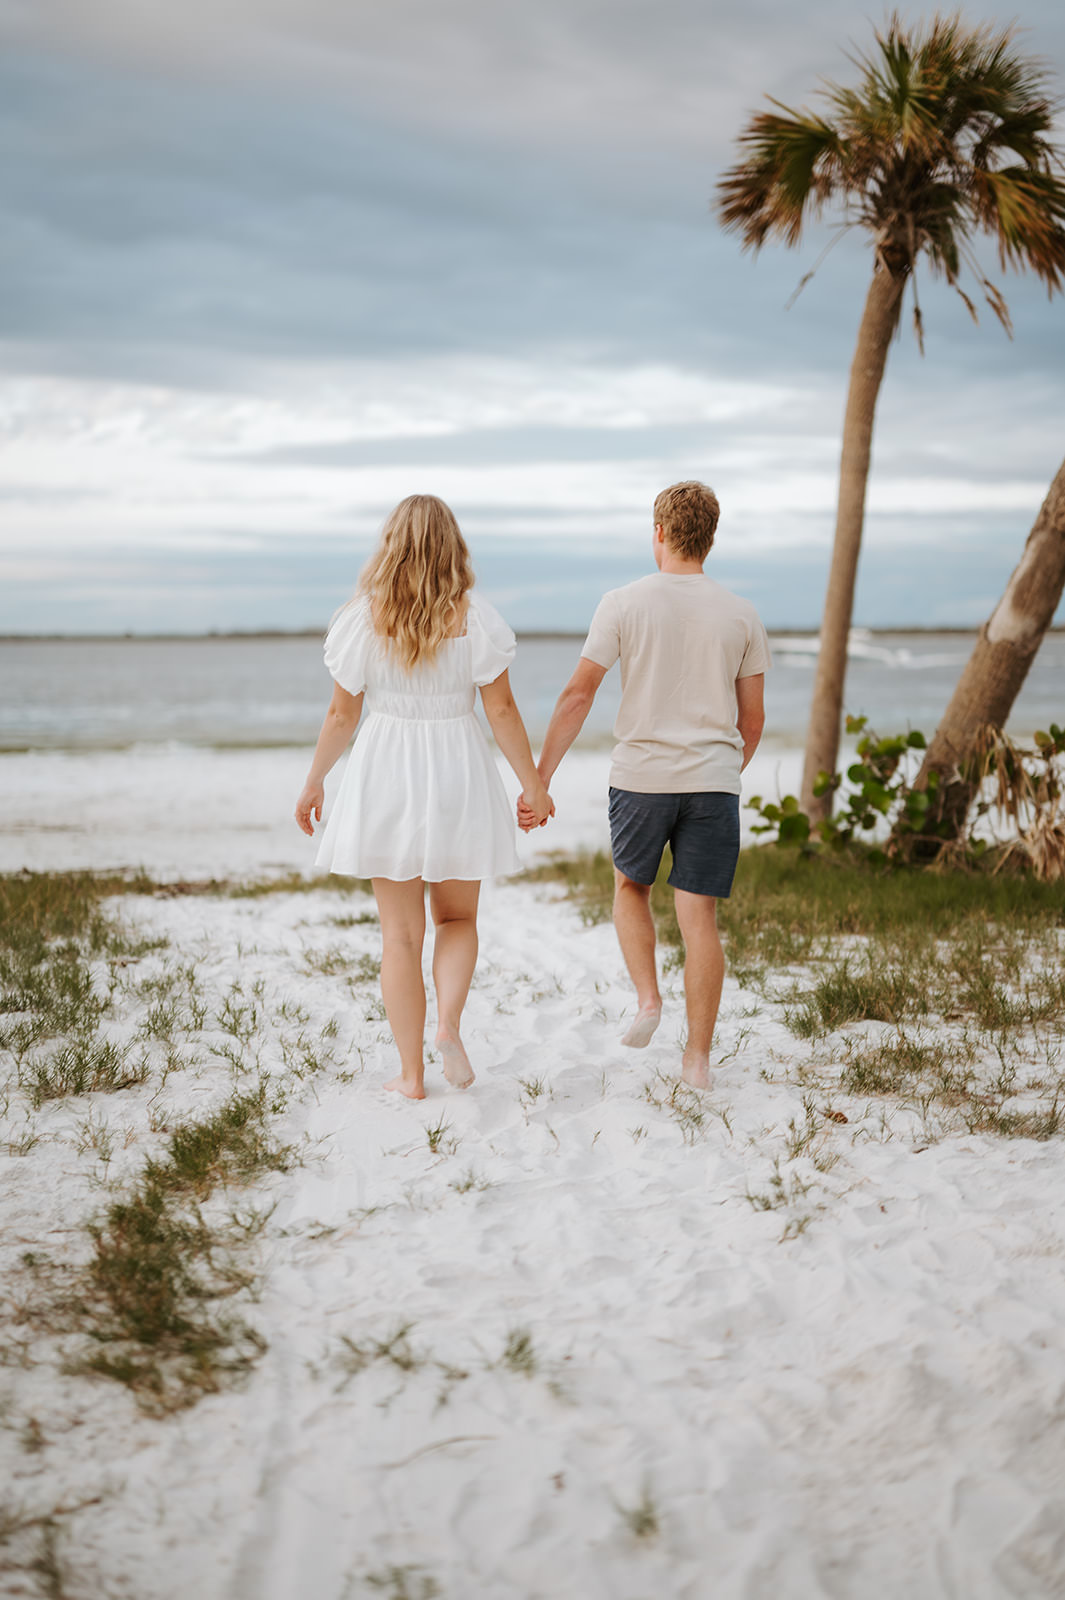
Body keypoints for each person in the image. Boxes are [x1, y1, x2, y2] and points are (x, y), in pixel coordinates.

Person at [296, 494, 553, 1100]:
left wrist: (314, 780)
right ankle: (448, 1026)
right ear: (452, 545)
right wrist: (532, 784)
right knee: (458, 918)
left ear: (390, 545)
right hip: (457, 767)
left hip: (386, 768)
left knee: (400, 937)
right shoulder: (477, 617)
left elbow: (340, 714)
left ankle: (411, 1077)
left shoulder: (361, 618)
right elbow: (503, 710)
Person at [523, 481, 769, 1090]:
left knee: (631, 888)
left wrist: (541, 778)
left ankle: (648, 1000)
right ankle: (697, 1061)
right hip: (714, 783)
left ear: (658, 532)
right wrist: (722, 775)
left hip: (641, 780)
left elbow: (578, 694)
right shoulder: (741, 612)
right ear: (710, 538)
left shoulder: (623, 603)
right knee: (699, 918)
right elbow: (754, 719)